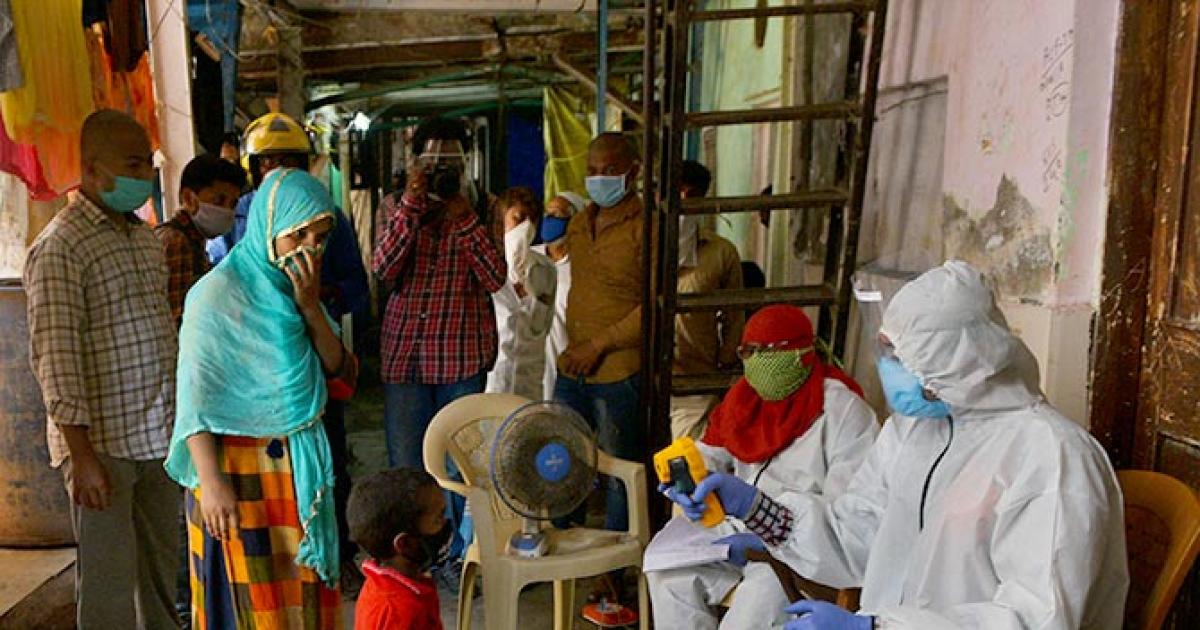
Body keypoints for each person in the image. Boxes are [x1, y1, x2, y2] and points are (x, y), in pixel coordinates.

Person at [679, 262, 1129, 629]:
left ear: (962, 363)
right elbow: (854, 534)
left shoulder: (1051, 456)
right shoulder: (914, 432)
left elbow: (1036, 618)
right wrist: (757, 508)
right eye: (889, 352)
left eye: (903, 356)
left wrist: (875, 628)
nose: (890, 369)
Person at [166, 169, 357, 628]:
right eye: (298, 235)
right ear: (268, 228)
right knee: (246, 602)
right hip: (235, 470)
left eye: (321, 237)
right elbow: (195, 397)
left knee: (301, 598)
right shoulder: (215, 295)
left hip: (298, 472)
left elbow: (341, 371)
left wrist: (310, 308)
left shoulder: (299, 294)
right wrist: (211, 482)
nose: (310, 248)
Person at [25, 109, 180, 628]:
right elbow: (57, 357)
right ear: (92, 170)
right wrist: (82, 456)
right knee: (108, 583)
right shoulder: (60, 247)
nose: (144, 176)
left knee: (162, 575)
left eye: (147, 164)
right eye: (133, 165)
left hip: (156, 435)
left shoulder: (143, 239)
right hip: (102, 445)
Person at [205, 112, 368, 582]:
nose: (276, 170)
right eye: (267, 162)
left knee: (327, 464)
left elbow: (355, 290)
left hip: (311, 361)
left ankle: (333, 554)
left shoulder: (324, 216)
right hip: (250, 380)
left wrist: (311, 302)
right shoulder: (239, 219)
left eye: (288, 160)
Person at [648, 305, 878, 630]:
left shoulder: (843, 410)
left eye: (767, 352)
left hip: (801, 546)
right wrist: (686, 481)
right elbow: (709, 454)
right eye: (748, 352)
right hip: (737, 531)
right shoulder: (743, 400)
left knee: (753, 611)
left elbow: (848, 510)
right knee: (668, 573)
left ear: (800, 354)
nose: (755, 362)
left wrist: (774, 527)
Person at [372, 116, 505, 570]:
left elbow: (495, 278)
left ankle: (457, 557)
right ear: (417, 163)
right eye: (434, 163)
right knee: (408, 463)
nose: (443, 172)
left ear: (467, 163)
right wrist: (413, 204)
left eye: (452, 163)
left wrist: (464, 218)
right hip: (405, 356)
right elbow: (384, 269)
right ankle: (412, 557)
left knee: (459, 466)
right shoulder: (394, 205)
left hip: (461, 355)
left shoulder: (484, 207)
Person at [555, 132, 650, 535]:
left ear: (634, 171)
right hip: (573, 365)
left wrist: (598, 345)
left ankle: (616, 559)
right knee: (559, 462)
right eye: (592, 171)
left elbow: (654, 305)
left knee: (618, 470)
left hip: (618, 371)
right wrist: (577, 348)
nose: (599, 178)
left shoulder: (647, 227)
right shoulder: (580, 223)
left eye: (610, 170)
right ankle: (563, 544)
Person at [672, 160, 746, 439]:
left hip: (695, 381)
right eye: (675, 191)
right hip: (636, 377)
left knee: (687, 457)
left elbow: (733, 317)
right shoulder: (637, 246)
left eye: (691, 194)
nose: (682, 200)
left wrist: (724, 365)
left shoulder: (721, 253)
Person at [347, 468, 451, 630]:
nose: (445, 523)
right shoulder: (396, 612)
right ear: (404, 544)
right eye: (438, 519)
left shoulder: (394, 583)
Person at [155, 154, 246, 327]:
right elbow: (175, 320)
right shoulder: (177, 242)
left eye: (233, 204)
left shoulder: (194, 243)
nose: (227, 211)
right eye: (218, 201)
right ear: (189, 199)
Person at [486, 186, 556, 400]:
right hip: (493, 382)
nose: (525, 227)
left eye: (531, 220)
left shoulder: (545, 269)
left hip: (529, 383)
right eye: (518, 218)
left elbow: (543, 326)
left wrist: (530, 294)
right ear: (502, 220)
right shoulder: (488, 267)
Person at [533, 191, 586, 399]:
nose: (549, 220)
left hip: (564, 366)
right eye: (547, 213)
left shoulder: (582, 267)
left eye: (557, 214)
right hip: (529, 363)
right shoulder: (529, 257)